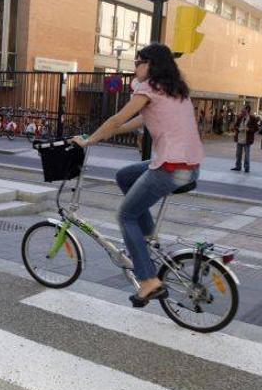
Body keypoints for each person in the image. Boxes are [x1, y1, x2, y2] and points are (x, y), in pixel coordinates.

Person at [72, 43, 203, 308]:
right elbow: (135, 121)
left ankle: (148, 281)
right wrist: (100, 136)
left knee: (125, 215)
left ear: (151, 65)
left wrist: (89, 141)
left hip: (170, 168)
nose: (135, 67)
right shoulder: (175, 90)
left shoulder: (149, 88)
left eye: (138, 62)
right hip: (189, 167)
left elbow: (117, 118)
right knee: (125, 175)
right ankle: (147, 240)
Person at [231, 104, 258, 173]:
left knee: (247, 154)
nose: (242, 110)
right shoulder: (240, 117)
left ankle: (246, 167)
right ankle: (238, 166)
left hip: (247, 139)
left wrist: (249, 129)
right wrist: (238, 129)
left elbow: (256, 128)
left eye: (243, 109)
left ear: (247, 110)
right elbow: (235, 126)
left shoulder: (252, 118)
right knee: (238, 153)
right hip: (239, 137)